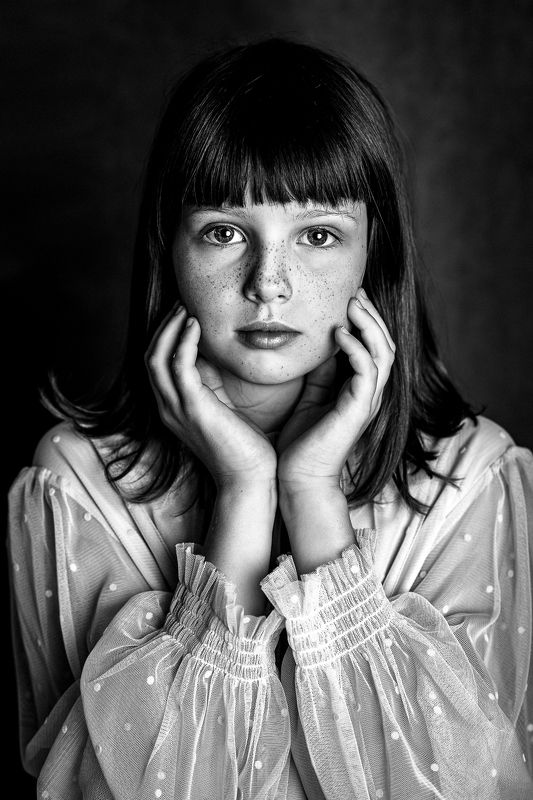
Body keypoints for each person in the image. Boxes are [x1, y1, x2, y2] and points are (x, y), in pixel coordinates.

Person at [7, 37, 533, 800]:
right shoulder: (76, 482)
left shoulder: (469, 478)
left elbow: (460, 789)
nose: (268, 284)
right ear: (169, 248)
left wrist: (310, 490)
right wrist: (243, 489)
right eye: (224, 232)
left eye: (317, 235)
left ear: (373, 252)